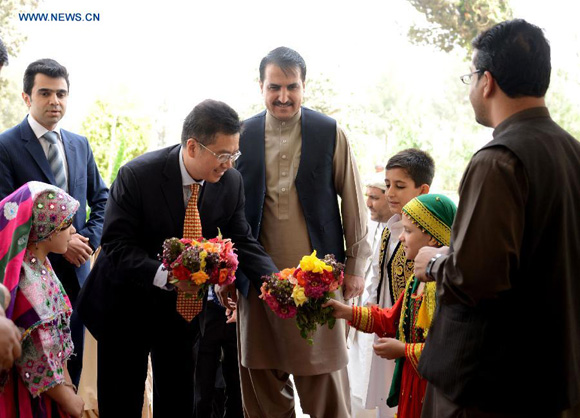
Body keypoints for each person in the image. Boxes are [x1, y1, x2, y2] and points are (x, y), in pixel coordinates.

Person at [413, 19, 580, 417]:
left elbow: (478, 277)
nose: (470, 87)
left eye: (469, 76)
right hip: (552, 374)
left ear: (486, 81)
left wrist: (434, 262)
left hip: (488, 384)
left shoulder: (499, 160)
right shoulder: (572, 152)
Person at [77, 99, 278, 417]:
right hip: (124, 306)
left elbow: (242, 240)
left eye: (234, 154)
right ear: (193, 146)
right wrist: (168, 276)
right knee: (121, 402)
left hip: (181, 314)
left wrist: (275, 280)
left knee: (178, 402)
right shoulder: (138, 175)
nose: (229, 164)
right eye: (223, 155)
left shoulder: (230, 183)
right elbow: (116, 245)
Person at [234, 46, 370, 418]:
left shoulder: (328, 131)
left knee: (324, 373)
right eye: (274, 87)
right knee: (260, 373)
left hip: (318, 276)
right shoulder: (241, 135)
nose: (283, 96)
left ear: (304, 86)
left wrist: (356, 265)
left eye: (292, 87)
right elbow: (226, 207)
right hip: (256, 277)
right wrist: (225, 272)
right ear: (260, 86)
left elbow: (353, 200)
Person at [0, 58, 109, 387]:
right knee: (37, 377)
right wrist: (59, 245)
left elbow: (102, 200)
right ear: (26, 97)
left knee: (70, 366)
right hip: (29, 281)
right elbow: (5, 214)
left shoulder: (80, 144)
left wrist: (84, 242)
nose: (54, 101)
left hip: (77, 278)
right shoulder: (5, 146)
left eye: (61, 94)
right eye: (45, 93)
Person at [327, 194, 457, 418]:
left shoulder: (446, 289)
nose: (402, 238)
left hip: (433, 392)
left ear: (433, 238)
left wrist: (404, 350)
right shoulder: (418, 280)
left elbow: (451, 353)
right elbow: (392, 318)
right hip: (413, 384)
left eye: (408, 231)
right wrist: (345, 311)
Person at [357, 149, 433, 418]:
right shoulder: (391, 228)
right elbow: (378, 276)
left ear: (422, 189)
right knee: (386, 403)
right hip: (387, 325)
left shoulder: (431, 237)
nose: (390, 193)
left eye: (399, 186)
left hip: (412, 339)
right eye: (388, 185)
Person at [0, 181, 85, 417]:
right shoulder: (27, 282)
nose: (73, 231)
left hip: (55, 388)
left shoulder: (40, 265)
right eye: (66, 224)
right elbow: (34, 356)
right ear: (45, 229)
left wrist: (68, 385)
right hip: (32, 398)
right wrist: (67, 397)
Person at [348, 178, 395, 418]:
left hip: (384, 322)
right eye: (367, 196)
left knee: (380, 393)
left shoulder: (401, 234)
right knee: (356, 388)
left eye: (375, 197)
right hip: (360, 321)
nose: (369, 203)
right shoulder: (368, 227)